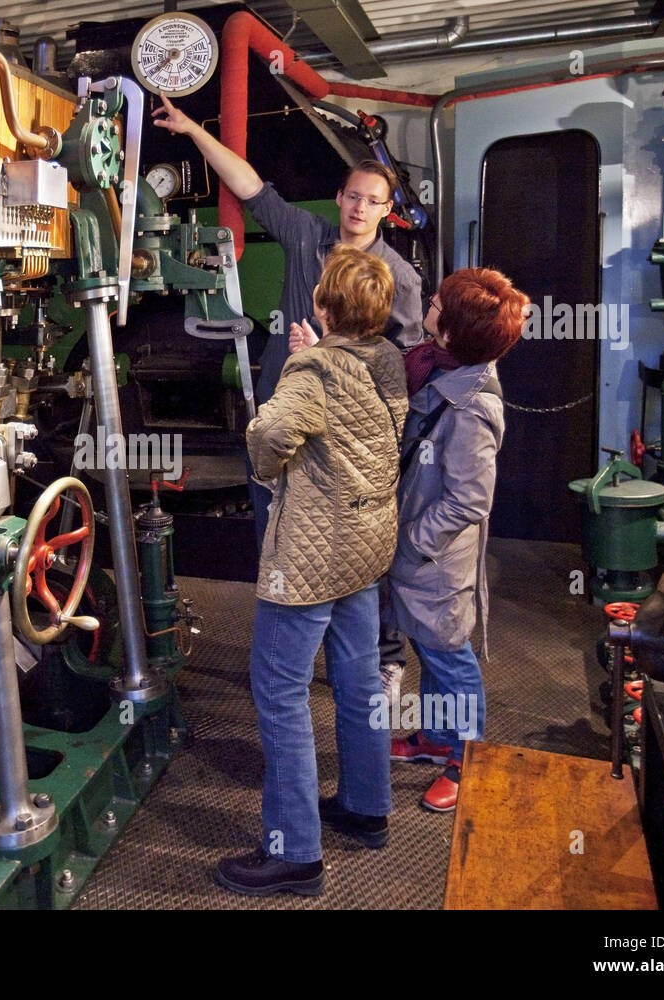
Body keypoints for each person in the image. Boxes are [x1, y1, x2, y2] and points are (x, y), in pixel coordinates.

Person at [152, 94, 420, 694]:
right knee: (276, 541)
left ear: (387, 210)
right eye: (352, 195)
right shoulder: (306, 236)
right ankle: (289, 661)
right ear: (340, 197)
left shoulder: (397, 278)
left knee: (357, 549)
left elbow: (404, 366)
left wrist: (329, 356)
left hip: (348, 441)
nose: (358, 207)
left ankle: (382, 659)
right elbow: (251, 187)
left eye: (372, 201)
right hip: (283, 424)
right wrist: (196, 129)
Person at [213, 245, 407, 897]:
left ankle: (293, 850)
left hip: (311, 553)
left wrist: (268, 472)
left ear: (324, 306)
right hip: (365, 542)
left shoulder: (314, 370)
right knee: (356, 676)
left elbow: (270, 435)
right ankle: (365, 807)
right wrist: (314, 354)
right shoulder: (385, 360)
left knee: (279, 687)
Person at [385, 268, 529, 813]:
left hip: (435, 561)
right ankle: (435, 740)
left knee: (450, 658)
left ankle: (466, 760)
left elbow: (469, 501)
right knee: (428, 648)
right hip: (420, 554)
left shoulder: (471, 406)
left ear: (453, 331)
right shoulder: (434, 365)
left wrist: (411, 545)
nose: (432, 301)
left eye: (440, 302)